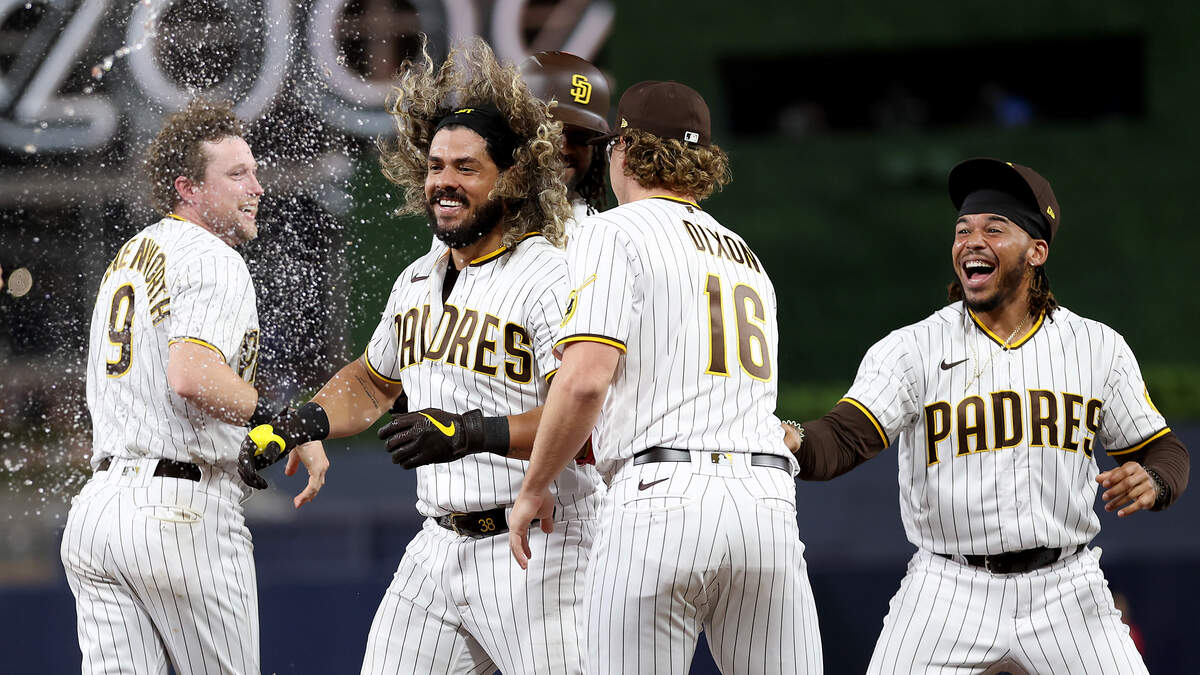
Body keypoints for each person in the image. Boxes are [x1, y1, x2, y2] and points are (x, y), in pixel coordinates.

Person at [237, 38, 603, 674]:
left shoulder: (553, 275)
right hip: (436, 546)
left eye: (466, 167)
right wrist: (303, 420)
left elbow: (584, 419)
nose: (444, 182)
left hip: (542, 546)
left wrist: (469, 434)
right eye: (435, 166)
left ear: (511, 176)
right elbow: (374, 382)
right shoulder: (417, 278)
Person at [786, 158, 1189, 674]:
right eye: (963, 230)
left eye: (993, 229)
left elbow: (1165, 450)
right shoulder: (914, 347)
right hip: (947, 588)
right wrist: (795, 438)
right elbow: (845, 438)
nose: (971, 240)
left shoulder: (1096, 347)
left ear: (1037, 251)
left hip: (1066, 586)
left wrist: (1155, 479)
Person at [508, 80, 824, 674]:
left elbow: (583, 381)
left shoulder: (611, 232)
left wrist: (535, 486)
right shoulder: (746, 256)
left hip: (662, 499)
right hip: (768, 503)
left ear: (621, 149)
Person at [60, 99, 328, 675]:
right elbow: (192, 375)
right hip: (178, 515)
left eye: (255, 170)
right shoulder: (213, 255)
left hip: (98, 514)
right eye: (236, 174)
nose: (257, 186)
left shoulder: (133, 253)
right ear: (188, 188)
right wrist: (284, 420)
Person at [519, 50, 612, 227]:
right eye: (548, 134)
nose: (564, 148)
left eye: (581, 137)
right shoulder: (471, 218)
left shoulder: (600, 234)